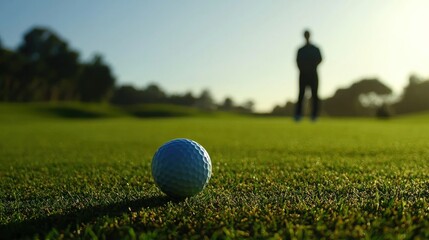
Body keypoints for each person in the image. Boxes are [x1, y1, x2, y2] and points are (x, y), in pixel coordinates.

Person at [295, 30, 322, 121]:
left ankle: (314, 116)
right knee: (301, 95)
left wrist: (311, 67)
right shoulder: (300, 50)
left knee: (314, 95)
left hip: (313, 74)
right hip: (303, 75)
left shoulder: (315, 48)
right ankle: (298, 115)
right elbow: (297, 62)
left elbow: (320, 59)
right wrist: (303, 69)